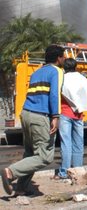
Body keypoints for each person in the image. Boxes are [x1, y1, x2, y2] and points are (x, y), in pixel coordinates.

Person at [2, 45, 65, 196]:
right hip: (40, 116)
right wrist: (56, 116)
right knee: (44, 156)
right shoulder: (57, 71)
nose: (64, 59)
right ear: (58, 58)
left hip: (26, 114)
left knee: (31, 153)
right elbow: (55, 94)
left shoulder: (37, 72)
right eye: (63, 56)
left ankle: (22, 187)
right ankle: (10, 172)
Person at [55, 58, 87, 180]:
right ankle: (78, 170)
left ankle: (64, 172)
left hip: (65, 113)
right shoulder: (83, 79)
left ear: (64, 67)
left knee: (66, 143)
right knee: (78, 143)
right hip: (79, 115)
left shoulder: (63, 78)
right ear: (75, 66)